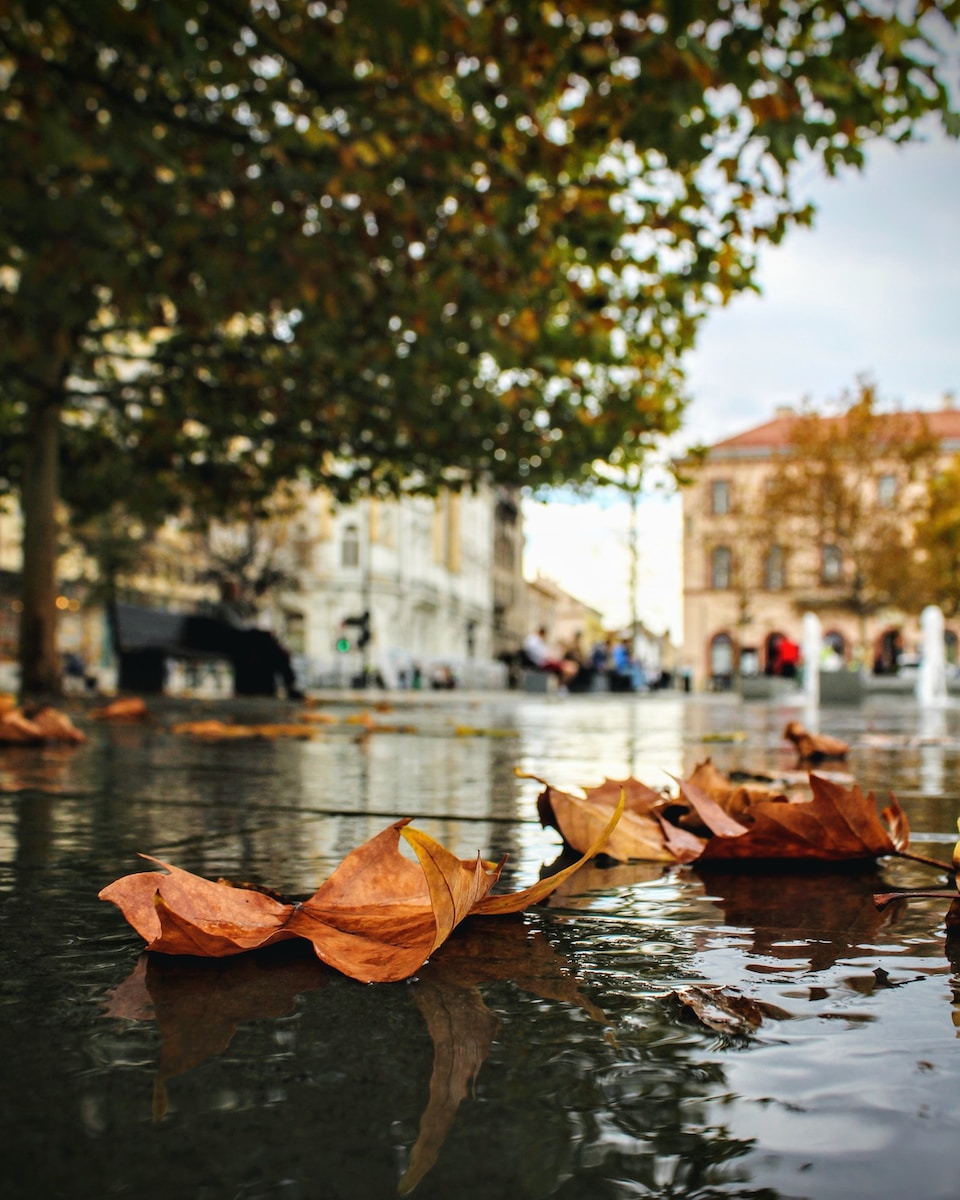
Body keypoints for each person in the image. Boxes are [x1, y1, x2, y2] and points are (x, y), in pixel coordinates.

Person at [210, 579, 304, 699]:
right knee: (266, 640)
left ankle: (283, 683)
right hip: (233, 642)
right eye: (234, 590)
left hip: (238, 641)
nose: (237, 592)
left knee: (269, 646)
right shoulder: (223, 608)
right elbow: (238, 628)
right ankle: (289, 684)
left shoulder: (232, 608)